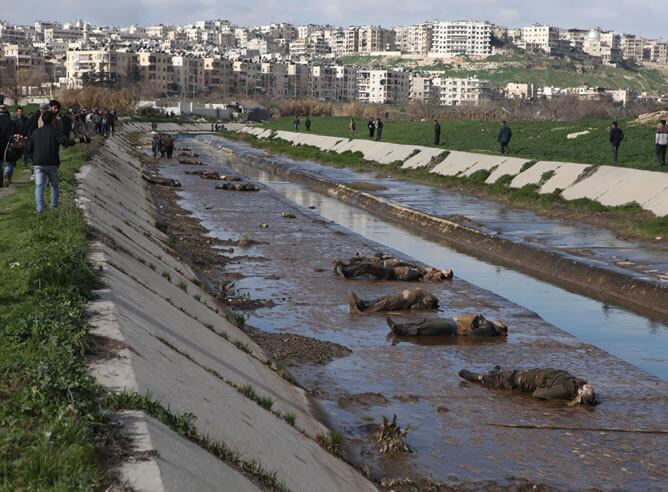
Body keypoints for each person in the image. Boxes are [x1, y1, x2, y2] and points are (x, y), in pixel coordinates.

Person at [25, 110, 89, 213]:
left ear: (42, 120)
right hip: (52, 163)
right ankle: (54, 207)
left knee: (39, 186)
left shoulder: (36, 132)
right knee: (54, 185)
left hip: (38, 163)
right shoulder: (55, 131)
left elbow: (28, 148)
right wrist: (81, 140)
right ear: (52, 120)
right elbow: (66, 142)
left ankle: (40, 210)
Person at [458, 366, 597, 406]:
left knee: (498, 376)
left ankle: (495, 371)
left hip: (523, 373)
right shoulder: (567, 389)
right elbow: (538, 394)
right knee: (486, 380)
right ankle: (467, 374)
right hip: (518, 382)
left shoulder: (570, 377)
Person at [387, 314, 507, 337]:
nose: (500, 321)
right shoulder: (487, 324)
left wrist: (474, 322)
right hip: (451, 321)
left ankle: (402, 331)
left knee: (427, 327)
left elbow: (472, 334)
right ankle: (399, 326)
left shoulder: (489, 327)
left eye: (501, 323)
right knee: (424, 321)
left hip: (453, 327)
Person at [334, 259, 453, 282]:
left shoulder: (437, 275)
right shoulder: (434, 271)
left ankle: (347, 272)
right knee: (367, 267)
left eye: (448, 271)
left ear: (446, 275)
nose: (447, 269)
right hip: (393, 270)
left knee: (367, 267)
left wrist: (441, 275)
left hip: (392, 273)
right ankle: (347, 269)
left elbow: (436, 278)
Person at [348, 288, 438, 314]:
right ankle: (363, 303)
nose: (429, 299)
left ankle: (362, 307)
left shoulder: (422, 300)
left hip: (399, 301)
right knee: (380, 299)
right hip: (396, 297)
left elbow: (413, 308)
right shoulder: (423, 293)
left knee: (381, 303)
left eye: (430, 300)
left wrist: (428, 307)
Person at [0, 105, 17, 187]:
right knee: (10, 161)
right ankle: (7, 173)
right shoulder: (11, 122)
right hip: (9, 144)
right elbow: (15, 133)